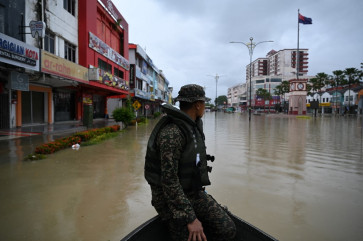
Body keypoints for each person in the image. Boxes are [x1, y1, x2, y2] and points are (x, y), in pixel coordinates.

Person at [145, 84, 236, 241]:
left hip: (192, 192)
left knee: (227, 229)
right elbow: (169, 181)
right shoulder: (172, 133)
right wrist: (190, 218)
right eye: (204, 103)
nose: (204, 107)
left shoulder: (192, 127)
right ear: (198, 105)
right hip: (169, 199)